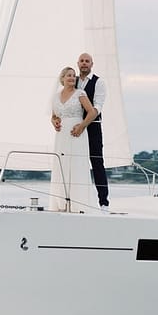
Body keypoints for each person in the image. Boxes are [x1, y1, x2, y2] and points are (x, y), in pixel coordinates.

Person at [49, 66, 97, 212]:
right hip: (61, 135)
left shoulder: (80, 93)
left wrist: (82, 126)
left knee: (76, 165)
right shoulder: (55, 96)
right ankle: (61, 203)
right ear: (62, 78)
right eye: (68, 75)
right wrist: (54, 121)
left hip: (77, 134)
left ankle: (78, 204)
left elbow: (92, 112)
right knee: (61, 165)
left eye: (73, 75)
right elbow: (54, 116)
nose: (72, 78)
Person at [76, 52, 109, 208]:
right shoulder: (72, 80)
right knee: (74, 161)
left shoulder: (99, 82)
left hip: (93, 126)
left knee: (96, 162)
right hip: (74, 128)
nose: (84, 63)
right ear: (78, 63)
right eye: (82, 61)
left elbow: (97, 108)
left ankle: (104, 202)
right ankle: (75, 199)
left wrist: (83, 125)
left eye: (87, 61)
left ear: (92, 64)